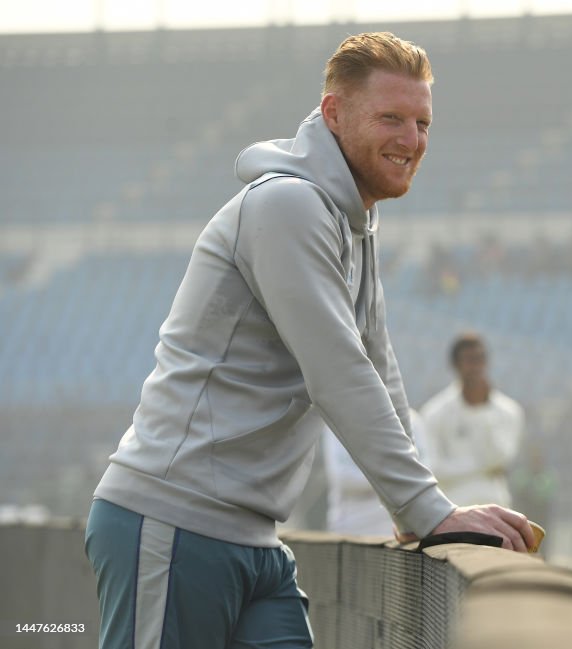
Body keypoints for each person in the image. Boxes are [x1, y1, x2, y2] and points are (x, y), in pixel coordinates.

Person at [84, 32, 535, 649]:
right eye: (391, 118)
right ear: (332, 114)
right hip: (174, 522)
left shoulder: (354, 222)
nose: (412, 140)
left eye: (423, 122)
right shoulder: (289, 206)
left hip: (257, 538)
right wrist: (427, 511)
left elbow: (379, 366)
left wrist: (424, 510)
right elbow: (339, 372)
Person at [420, 333, 525, 507]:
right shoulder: (434, 413)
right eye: (469, 360)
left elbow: (502, 458)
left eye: (479, 359)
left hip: (497, 507)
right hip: (452, 509)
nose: (475, 367)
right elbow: (432, 469)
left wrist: (482, 409)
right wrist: (483, 468)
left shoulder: (509, 411)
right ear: (455, 365)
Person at [321, 408, 429, 537]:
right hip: (353, 528)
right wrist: (396, 478)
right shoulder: (337, 419)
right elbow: (343, 477)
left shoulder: (411, 419)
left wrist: (385, 478)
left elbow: (425, 470)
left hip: (400, 530)